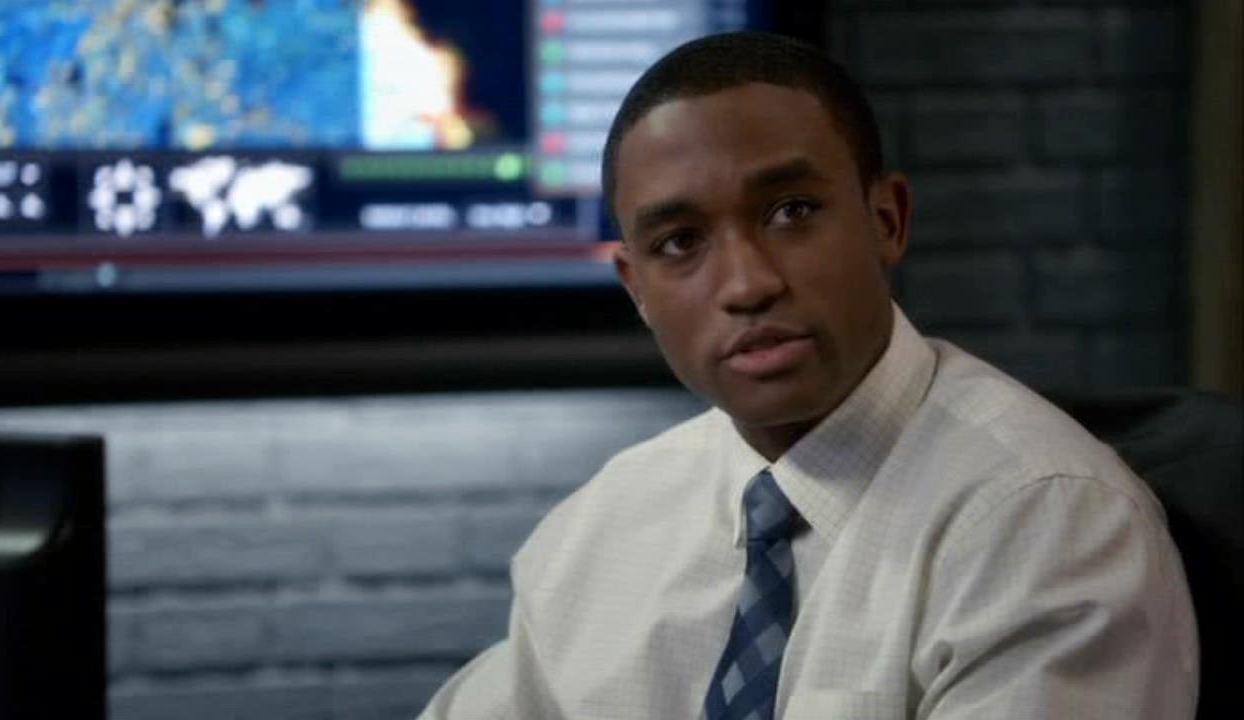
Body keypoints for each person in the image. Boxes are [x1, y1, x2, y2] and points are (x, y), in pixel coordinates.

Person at [420, 31, 1198, 719]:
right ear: (637, 289)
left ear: (887, 221)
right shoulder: (600, 530)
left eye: (790, 211)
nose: (747, 284)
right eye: (680, 242)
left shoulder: (1049, 523)